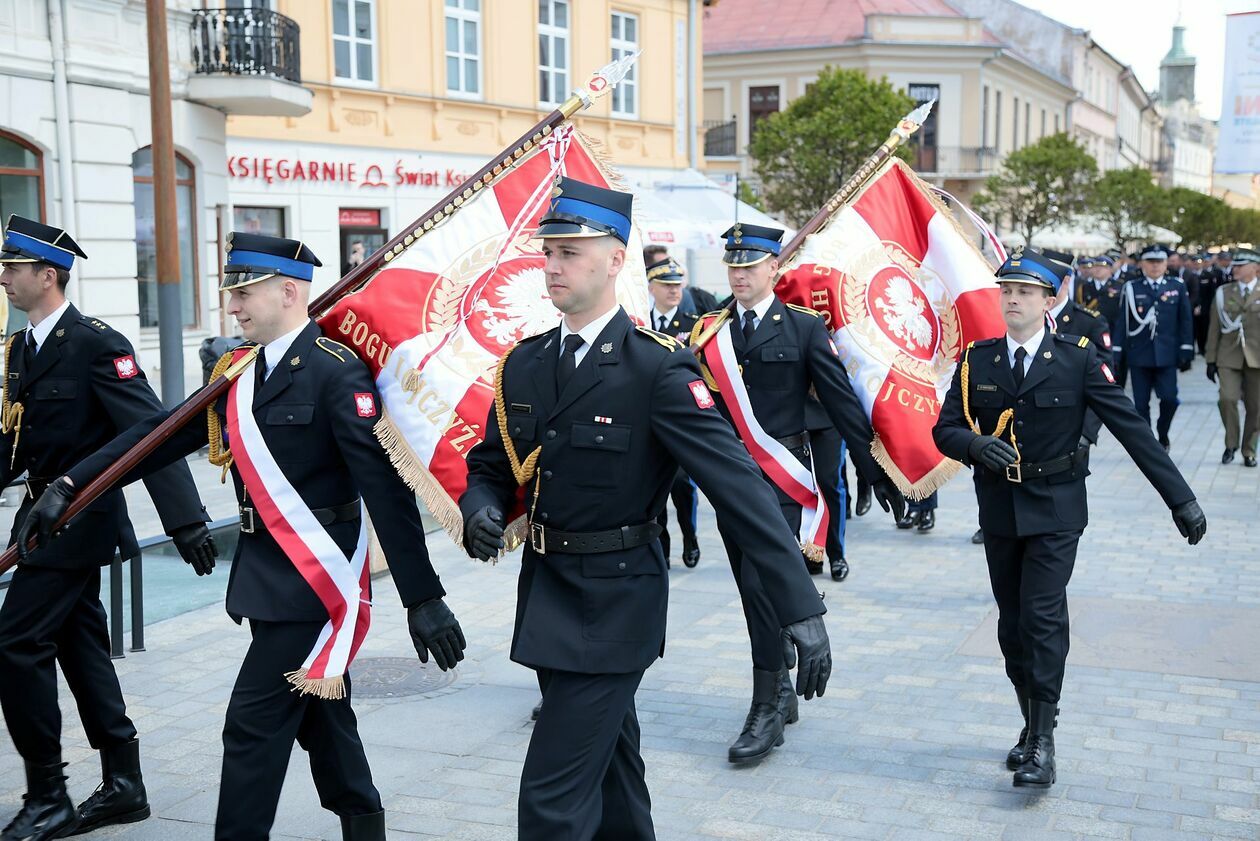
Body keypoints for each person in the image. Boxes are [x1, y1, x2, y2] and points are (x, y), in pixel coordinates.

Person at [20, 232, 467, 841]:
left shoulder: (337, 375)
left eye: (244, 292)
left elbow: (387, 494)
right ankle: (364, 824)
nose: (232, 307)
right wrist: (73, 483)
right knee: (320, 717)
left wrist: (424, 597)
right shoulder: (240, 372)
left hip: (315, 584)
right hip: (265, 574)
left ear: (289, 291)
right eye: (232, 294)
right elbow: (158, 434)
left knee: (251, 725)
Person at [460, 177, 833, 839]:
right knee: (615, 776)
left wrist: (799, 604)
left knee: (549, 802)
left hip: (615, 607)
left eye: (570, 251)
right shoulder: (524, 363)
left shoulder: (656, 370)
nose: (552, 265)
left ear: (613, 259)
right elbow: (491, 465)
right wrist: (480, 506)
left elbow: (741, 491)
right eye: (548, 250)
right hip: (547, 596)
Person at [933, 246, 1206, 790]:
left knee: (1041, 618)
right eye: (1007, 290)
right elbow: (944, 429)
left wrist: (1182, 499)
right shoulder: (978, 360)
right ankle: (1030, 720)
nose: (1013, 299)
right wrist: (975, 445)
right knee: (1012, 627)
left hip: (1057, 507)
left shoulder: (1078, 358)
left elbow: (1132, 430)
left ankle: (1043, 741)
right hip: (1001, 511)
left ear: (1049, 298)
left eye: (1026, 292)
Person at [0, 215, 216, 840]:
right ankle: (125, 784)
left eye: (14, 269)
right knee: (79, 644)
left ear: (48, 275)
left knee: (14, 643)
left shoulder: (96, 342)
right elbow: (15, 445)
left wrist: (186, 521)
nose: (6, 279)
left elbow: (150, 432)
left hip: (81, 522)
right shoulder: (20, 349)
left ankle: (48, 794)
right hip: (39, 518)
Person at [690, 221, 904, 761]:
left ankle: (766, 706)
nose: (740, 275)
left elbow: (839, 400)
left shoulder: (804, 328)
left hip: (784, 476)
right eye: (733, 266)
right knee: (748, 586)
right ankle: (781, 687)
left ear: (774, 269)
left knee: (766, 584)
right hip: (729, 477)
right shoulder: (708, 331)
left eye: (751, 266)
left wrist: (873, 466)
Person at [646, 255, 702, 567]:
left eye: (677, 285)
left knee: (682, 485)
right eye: (666, 285)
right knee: (654, 488)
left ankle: (690, 536)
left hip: (680, 418)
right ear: (651, 288)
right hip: (647, 420)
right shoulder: (639, 322)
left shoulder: (692, 326)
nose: (673, 291)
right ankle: (662, 545)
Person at [1112, 244, 1194, 450]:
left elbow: (1185, 320)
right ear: (1142, 264)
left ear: (1166, 264)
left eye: (1159, 262)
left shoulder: (1177, 286)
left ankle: (1163, 431)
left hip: (1167, 354)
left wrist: (1186, 349)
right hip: (1139, 353)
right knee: (1140, 404)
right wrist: (1116, 350)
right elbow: (1123, 320)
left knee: (1170, 399)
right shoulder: (1131, 288)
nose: (1155, 266)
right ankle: (1148, 443)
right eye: (1151, 262)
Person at [1205, 246, 1260, 467]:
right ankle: (1231, 444)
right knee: (1227, 398)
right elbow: (1214, 329)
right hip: (1229, 356)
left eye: (1240, 265)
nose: (1235, 268)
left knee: (1256, 407)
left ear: (1255, 268)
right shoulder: (1223, 292)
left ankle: (1249, 450)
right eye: (1235, 265)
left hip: (1257, 358)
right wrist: (1210, 360)